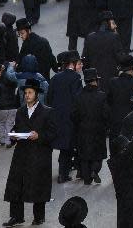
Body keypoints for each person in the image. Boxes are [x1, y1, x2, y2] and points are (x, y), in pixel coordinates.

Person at [3, 78, 57, 227]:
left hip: (39, 154)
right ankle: (16, 216)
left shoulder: (47, 112)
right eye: (25, 93)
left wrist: (39, 136)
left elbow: (53, 134)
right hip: (22, 153)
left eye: (30, 92)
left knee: (39, 185)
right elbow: (18, 128)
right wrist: (13, 136)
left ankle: (39, 216)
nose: (27, 95)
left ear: (36, 94)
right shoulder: (20, 111)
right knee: (16, 184)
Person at [48, 50, 83, 183]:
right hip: (70, 118)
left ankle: (64, 170)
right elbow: (77, 99)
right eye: (79, 63)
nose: (80, 66)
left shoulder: (56, 77)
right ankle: (64, 173)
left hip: (57, 117)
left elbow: (49, 97)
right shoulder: (76, 78)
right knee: (68, 147)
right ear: (72, 64)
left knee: (63, 145)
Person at [71, 68, 110, 185]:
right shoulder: (102, 96)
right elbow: (106, 114)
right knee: (98, 154)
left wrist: (78, 124)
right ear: (95, 81)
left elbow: (73, 115)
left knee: (84, 155)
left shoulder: (79, 96)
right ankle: (95, 169)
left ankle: (87, 179)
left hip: (83, 130)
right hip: (98, 129)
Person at [82, 10, 124, 92]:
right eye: (113, 23)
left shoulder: (90, 37)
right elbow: (120, 57)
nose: (115, 26)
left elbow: (85, 59)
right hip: (111, 77)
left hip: (94, 78)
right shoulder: (114, 37)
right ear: (108, 23)